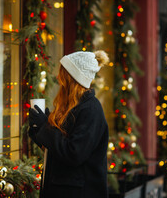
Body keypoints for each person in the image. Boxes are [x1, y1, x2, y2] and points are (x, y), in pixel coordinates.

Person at [29, 50, 110, 198]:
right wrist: (40, 127)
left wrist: (45, 128)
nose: (59, 78)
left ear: (73, 78)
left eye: (63, 74)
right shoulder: (73, 106)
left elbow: (74, 153)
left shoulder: (91, 109)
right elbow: (58, 148)